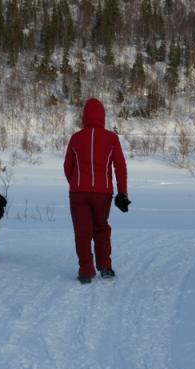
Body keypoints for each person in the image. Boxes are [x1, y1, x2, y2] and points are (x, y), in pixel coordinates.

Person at [63, 98, 131, 284]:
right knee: (101, 228)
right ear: (103, 116)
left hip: (78, 193)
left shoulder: (76, 138)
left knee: (82, 232)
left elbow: (68, 166)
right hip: (103, 193)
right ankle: (106, 266)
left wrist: (76, 183)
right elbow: (120, 167)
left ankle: (86, 270)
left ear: (84, 116)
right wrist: (123, 192)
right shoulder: (111, 138)